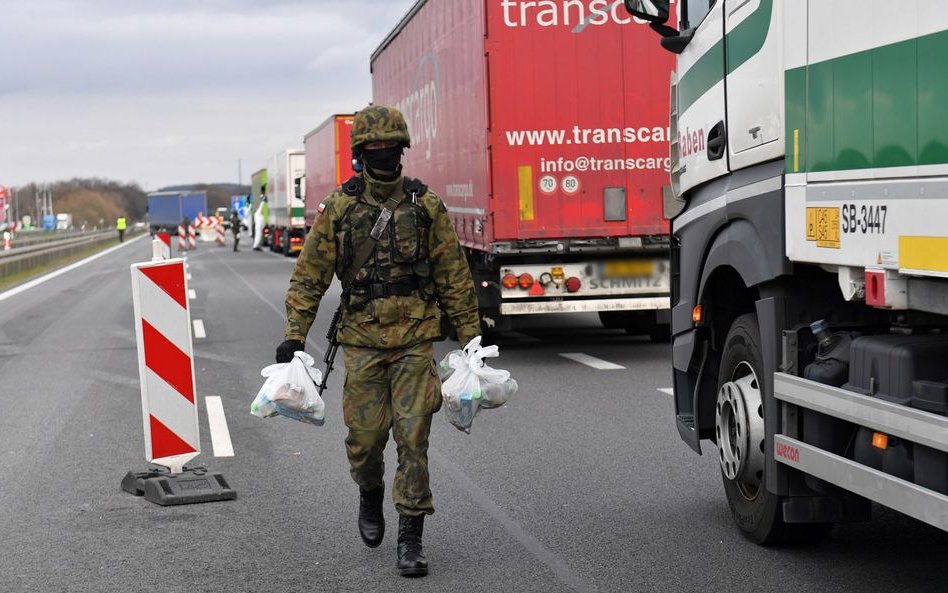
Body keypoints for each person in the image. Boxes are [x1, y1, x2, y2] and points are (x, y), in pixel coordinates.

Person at [277, 105, 481, 577]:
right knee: (366, 441)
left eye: (390, 147)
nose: (383, 154)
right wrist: (294, 334)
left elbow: (453, 275)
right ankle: (369, 492)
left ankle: (411, 536)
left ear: (402, 150)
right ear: (361, 154)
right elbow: (310, 276)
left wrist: (471, 336)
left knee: (413, 438)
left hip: (414, 340)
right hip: (363, 342)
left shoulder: (424, 206)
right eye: (374, 148)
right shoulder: (341, 209)